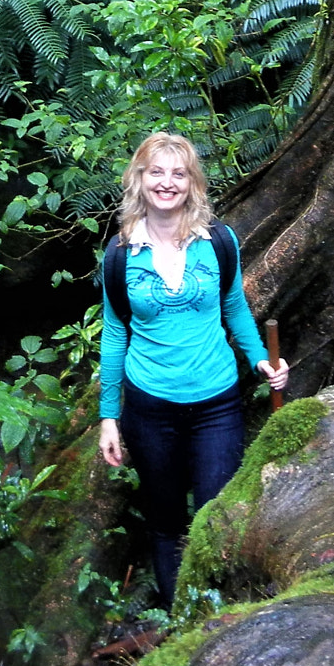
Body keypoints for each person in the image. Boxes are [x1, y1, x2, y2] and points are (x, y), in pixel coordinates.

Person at [96, 132, 288, 606]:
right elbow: (115, 332)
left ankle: (215, 622)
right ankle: (179, 615)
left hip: (216, 404)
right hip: (149, 407)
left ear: (192, 182)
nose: (167, 183)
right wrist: (108, 416)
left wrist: (259, 360)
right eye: (156, 172)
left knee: (215, 516)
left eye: (177, 173)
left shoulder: (217, 241)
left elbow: (234, 306)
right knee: (164, 522)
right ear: (139, 180)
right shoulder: (120, 255)